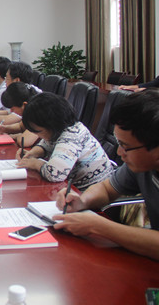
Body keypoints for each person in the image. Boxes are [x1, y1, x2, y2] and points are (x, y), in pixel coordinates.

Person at [54, 89, 159, 261]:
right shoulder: (141, 165)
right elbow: (107, 188)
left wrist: (100, 227)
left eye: (125, 146)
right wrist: (82, 201)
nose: (119, 152)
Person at [16, 92, 114, 190]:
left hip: (93, 190)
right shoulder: (59, 130)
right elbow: (47, 144)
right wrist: (34, 153)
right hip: (74, 186)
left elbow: (55, 174)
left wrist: (35, 163)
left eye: (39, 132)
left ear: (52, 124)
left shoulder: (71, 137)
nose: (38, 136)